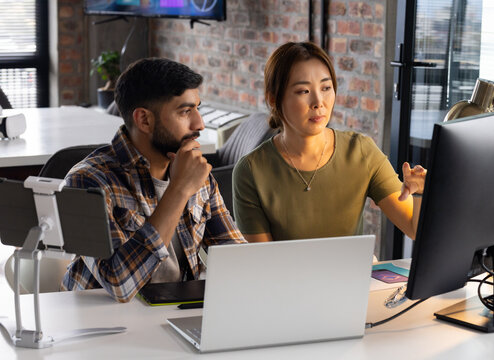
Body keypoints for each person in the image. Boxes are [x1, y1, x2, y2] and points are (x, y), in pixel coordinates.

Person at [62, 58, 245, 302]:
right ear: (144, 120)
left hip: (174, 314)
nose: (199, 124)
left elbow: (238, 258)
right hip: (102, 326)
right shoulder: (86, 182)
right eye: (185, 111)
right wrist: (178, 190)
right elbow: (119, 285)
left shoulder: (199, 176)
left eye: (198, 109)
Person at [232, 42, 426, 243]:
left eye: (326, 88)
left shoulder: (361, 152)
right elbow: (264, 262)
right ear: (273, 99)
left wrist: (420, 193)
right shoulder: (251, 171)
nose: (319, 102)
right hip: (287, 275)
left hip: (352, 274)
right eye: (303, 91)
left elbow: (414, 230)